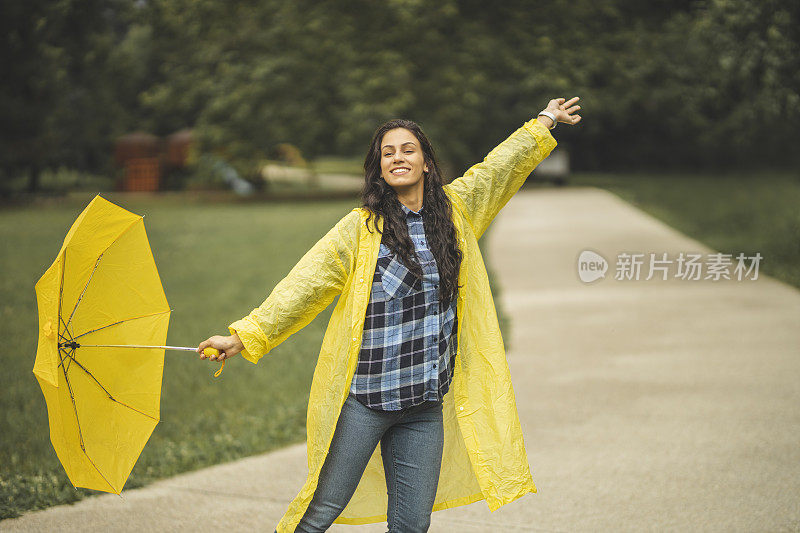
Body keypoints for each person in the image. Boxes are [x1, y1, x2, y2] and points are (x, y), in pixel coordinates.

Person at [197, 97, 582, 532]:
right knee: (321, 511)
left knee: (412, 526)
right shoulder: (360, 229)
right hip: (367, 401)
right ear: (380, 169)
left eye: (407, 149)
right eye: (388, 153)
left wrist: (545, 121)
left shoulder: (456, 213)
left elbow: (498, 168)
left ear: (427, 163)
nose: (398, 157)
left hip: (423, 405)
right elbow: (301, 287)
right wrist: (243, 336)